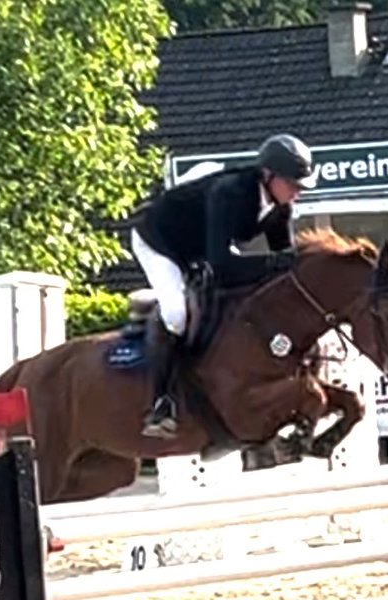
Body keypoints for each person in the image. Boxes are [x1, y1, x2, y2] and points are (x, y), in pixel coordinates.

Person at [130, 133, 319, 438]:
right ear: (268, 175)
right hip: (159, 241)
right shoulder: (231, 193)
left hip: (198, 248)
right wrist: (274, 265)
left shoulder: (279, 208)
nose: (297, 192)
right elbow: (223, 265)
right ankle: (161, 403)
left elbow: (286, 263)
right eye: (293, 184)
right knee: (177, 314)